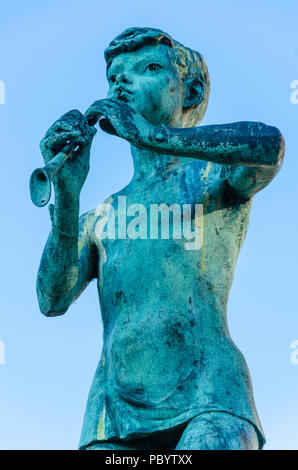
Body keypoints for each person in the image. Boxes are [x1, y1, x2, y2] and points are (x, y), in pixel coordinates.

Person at [37, 27, 285, 450]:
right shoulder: (101, 216)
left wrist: (155, 136)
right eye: (114, 76)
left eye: (148, 69)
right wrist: (66, 193)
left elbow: (268, 145)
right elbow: (51, 299)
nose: (122, 83)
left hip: (212, 397)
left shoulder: (213, 176)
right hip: (112, 411)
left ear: (189, 92)